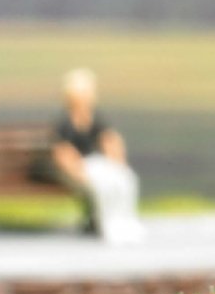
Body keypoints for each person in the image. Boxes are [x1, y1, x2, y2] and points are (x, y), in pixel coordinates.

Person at [48, 68, 143, 243]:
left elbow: (109, 139)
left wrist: (116, 158)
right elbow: (63, 153)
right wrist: (77, 171)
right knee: (102, 186)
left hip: (98, 164)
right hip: (83, 168)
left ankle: (125, 221)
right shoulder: (65, 124)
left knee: (125, 180)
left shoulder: (95, 119)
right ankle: (108, 224)